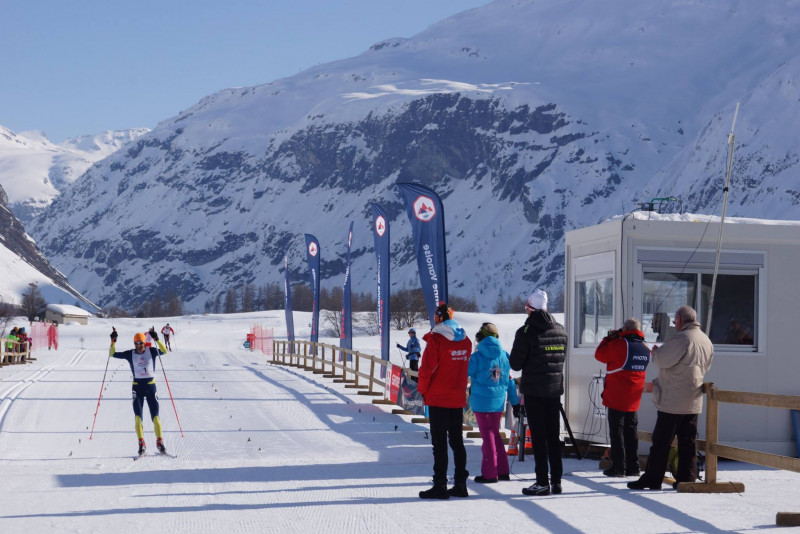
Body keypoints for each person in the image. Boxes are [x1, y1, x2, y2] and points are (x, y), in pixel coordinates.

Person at [628, 305, 714, 490]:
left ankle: (653, 479)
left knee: (661, 442)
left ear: (680, 320)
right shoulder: (706, 340)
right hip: (693, 399)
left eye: (675, 321)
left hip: (673, 400)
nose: (674, 325)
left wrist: (656, 352)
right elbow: (707, 366)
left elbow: (661, 360)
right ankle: (686, 478)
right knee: (687, 442)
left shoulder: (681, 339)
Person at [509, 288, 568, 496]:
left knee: (539, 438)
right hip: (554, 390)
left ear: (530, 308)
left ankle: (542, 482)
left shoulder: (525, 332)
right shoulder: (560, 329)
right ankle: (557, 481)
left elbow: (515, 364)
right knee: (553, 437)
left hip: (534, 391)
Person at [417, 303, 472, 499]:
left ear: (438, 318)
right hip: (457, 397)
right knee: (457, 442)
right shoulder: (466, 340)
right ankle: (460, 484)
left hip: (438, 398)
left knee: (439, 443)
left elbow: (426, 370)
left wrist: (422, 390)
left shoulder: (436, 339)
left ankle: (440, 485)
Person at [594, 318, 651, 477]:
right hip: (634, 396)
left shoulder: (620, 345)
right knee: (631, 432)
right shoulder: (644, 347)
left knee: (616, 432)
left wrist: (609, 338)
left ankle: (618, 467)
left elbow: (599, 354)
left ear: (624, 329)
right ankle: (633, 466)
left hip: (617, 394)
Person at [468, 322, 520, 483]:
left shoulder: (476, 357)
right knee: (495, 435)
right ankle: (502, 470)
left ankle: (490, 473)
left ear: (480, 337)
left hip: (481, 403)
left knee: (488, 437)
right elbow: (510, 381)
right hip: (498, 403)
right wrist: (515, 402)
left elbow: (463, 374)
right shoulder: (504, 355)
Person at [109, 326, 170, 456]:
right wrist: (113, 341)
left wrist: (157, 339)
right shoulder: (130, 354)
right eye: (136, 343)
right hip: (137, 388)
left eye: (140, 343)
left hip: (151, 387)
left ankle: (160, 442)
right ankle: (141, 444)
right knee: (138, 418)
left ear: (144, 342)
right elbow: (112, 354)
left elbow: (164, 351)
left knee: (156, 418)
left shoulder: (151, 351)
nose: (138, 346)